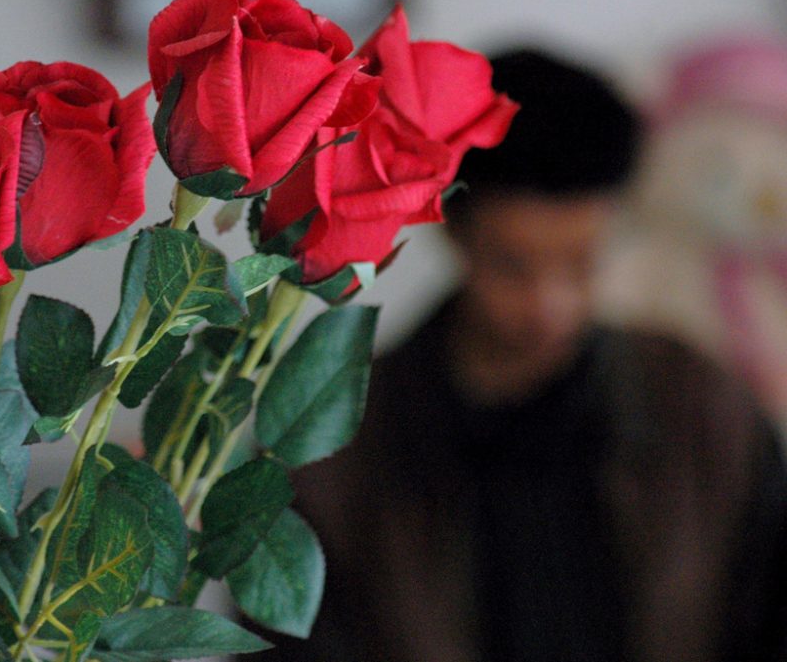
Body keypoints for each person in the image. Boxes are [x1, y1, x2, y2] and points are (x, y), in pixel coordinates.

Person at [252, 49, 787, 662]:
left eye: (580, 263)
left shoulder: (701, 407)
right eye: (514, 266)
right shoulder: (336, 445)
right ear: (452, 228)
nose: (550, 306)